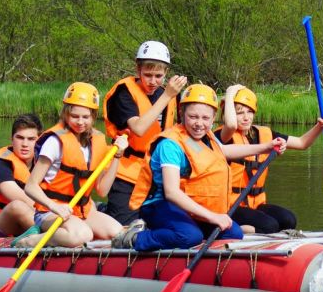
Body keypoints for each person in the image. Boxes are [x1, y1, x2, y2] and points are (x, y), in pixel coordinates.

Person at [113, 84, 286, 251]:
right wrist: (212, 217)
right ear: (182, 113)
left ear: (213, 117)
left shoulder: (206, 136)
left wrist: (267, 147)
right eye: (193, 117)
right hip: (159, 205)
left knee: (234, 233)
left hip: (189, 204)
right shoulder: (170, 144)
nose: (199, 123)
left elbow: (224, 151)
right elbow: (171, 193)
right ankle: (135, 238)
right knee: (189, 236)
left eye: (205, 118)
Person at [19, 82, 129, 248]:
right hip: (50, 212)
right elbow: (30, 187)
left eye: (86, 117)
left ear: (93, 116)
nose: (80, 122)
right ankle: (32, 240)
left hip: (83, 210)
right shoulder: (55, 142)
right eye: (74, 116)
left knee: (118, 234)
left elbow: (102, 190)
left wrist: (117, 156)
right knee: (83, 235)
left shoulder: (98, 141)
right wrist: (55, 207)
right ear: (66, 114)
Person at [216, 84, 323, 234]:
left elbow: (302, 143)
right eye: (239, 113)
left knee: (289, 220)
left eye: (249, 111)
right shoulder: (222, 137)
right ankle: (233, 231)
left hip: (256, 204)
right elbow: (231, 125)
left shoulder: (264, 133)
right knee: (269, 226)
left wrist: (320, 126)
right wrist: (230, 93)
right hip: (231, 206)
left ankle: (266, 237)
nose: (246, 117)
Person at [102, 40, 188, 225]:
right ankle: (106, 211)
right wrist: (168, 95)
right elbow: (139, 128)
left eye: (158, 76)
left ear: (166, 72)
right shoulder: (124, 92)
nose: (152, 81)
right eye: (147, 75)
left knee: (165, 223)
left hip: (155, 172)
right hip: (126, 173)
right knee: (124, 226)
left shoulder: (169, 94)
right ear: (138, 69)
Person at [0, 113, 43, 238]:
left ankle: (62, 235)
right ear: (12, 139)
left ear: (39, 141)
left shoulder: (42, 164)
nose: (25, 144)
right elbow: (23, 199)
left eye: (31, 139)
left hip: (28, 224)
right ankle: (56, 235)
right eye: (20, 138)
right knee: (17, 206)